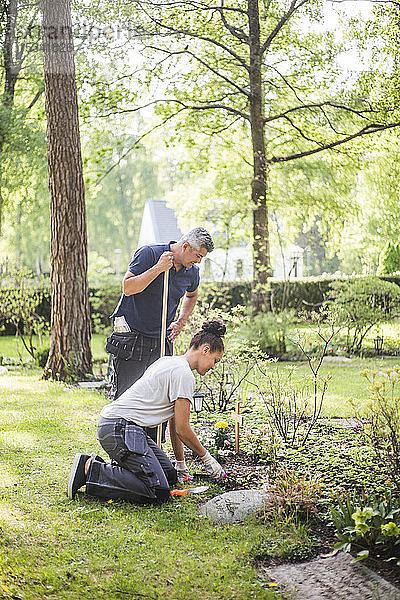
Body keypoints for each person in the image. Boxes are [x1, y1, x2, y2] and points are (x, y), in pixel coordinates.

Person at [68, 320, 226, 504]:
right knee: (158, 490)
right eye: (215, 360)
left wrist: (181, 465)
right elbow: (183, 429)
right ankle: (90, 468)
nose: (214, 366)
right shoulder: (184, 374)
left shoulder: (170, 362)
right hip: (119, 428)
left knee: (169, 476)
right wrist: (207, 458)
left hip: (122, 428)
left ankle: (126, 466)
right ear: (205, 350)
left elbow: (176, 424)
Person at [106, 227, 214, 442]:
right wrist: (157, 269)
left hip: (161, 341)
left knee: (160, 397)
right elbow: (128, 287)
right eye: (198, 256)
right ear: (185, 247)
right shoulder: (149, 254)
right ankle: (124, 452)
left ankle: (152, 451)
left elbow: (192, 295)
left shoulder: (191, 272)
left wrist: (181, 321)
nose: (199, 261)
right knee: (128, 396)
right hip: (132, 338)